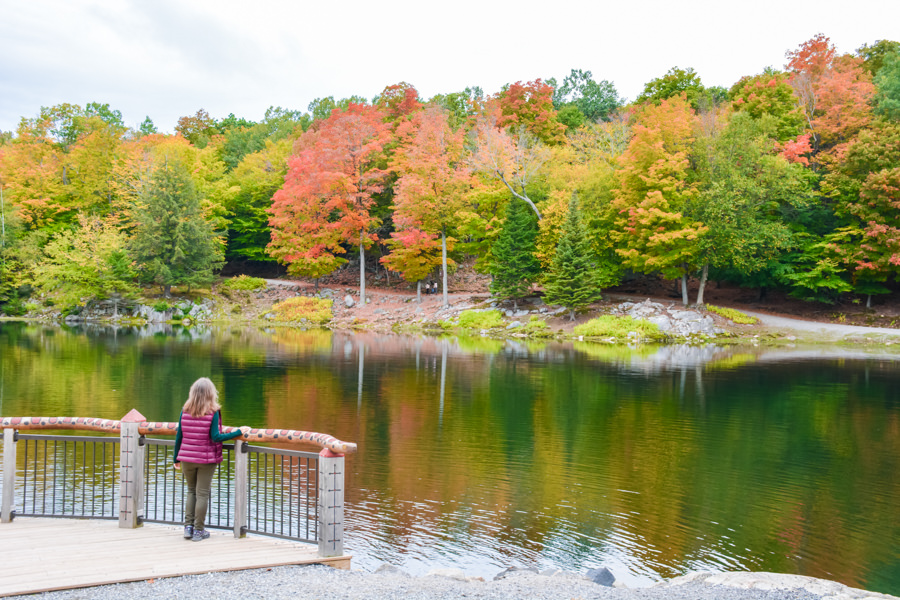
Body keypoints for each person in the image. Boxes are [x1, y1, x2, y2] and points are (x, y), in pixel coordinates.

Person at [174, 377, 250, 541]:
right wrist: (238, 432)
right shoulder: (212, 413)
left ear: (192, 392)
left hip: (186, 458)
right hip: (205, 459)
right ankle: (199, 531)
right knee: (202, 494)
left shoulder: (185, 410)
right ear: (211, 394)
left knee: (191, 491)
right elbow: (215, 437)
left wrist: (176, 459)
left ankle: (188, 528)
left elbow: (179, 436)